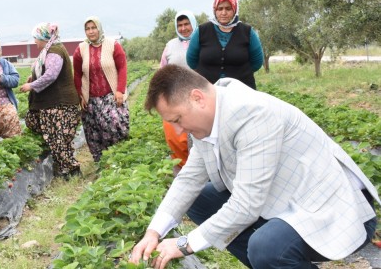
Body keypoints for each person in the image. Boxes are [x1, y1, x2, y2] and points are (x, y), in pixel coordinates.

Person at [129, 64, 379, 269]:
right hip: (285, 197)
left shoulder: (252, 115)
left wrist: (184, 244)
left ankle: (273, 260)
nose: (178, 130)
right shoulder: (209, 117)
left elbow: (246, 205)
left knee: (266, 246)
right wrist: (154, 231)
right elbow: (188, 179)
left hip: (332, 208)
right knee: (200, 199)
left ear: (197, 98)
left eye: (177, 119)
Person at [20, 22, 81, 178]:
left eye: (36, 38)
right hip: (54, 103)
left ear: (43, 38)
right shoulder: (51, 50)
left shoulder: (54, 51)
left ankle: (70, 170)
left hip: (59, 103)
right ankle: (67, 169)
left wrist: (32, 85)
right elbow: (47, 72)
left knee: (58, 138)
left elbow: (52, 75)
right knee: (58, 138)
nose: (34, 42)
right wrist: (33, 77)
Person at [73, 16, 129, 162]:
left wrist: (120, 90)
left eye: (93, 28)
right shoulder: (81, 49)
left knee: (114, 125)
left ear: (99, 28)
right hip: (90, 97)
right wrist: (80, 96)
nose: (91, 32)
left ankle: (119, 157)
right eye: (87, 29)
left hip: (111, 94)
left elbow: (122, 67)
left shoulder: (113, 44)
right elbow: (77, 74)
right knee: (94, 131)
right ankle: (101, 162)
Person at [186, 0, 264, 89]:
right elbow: (191, 61)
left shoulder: (247, 32)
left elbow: (257, 62)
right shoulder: (201, 31)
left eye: (228, 8)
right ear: (215, 10)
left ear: (235, 10)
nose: (223, 13)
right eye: (220, 9)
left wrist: (241, 73)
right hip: (208, 90)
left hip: (242, 91)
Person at [159, 10, 197, 174]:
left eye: (186, 24)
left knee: (197, 135)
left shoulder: (201, 41)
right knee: (176, 136)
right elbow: (163, 70)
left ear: (193, 24)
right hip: (175, 97)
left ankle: (200, 170)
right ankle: (182, 170)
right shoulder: (170, 45)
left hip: (197, 96)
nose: (183, 28)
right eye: (180, 25)